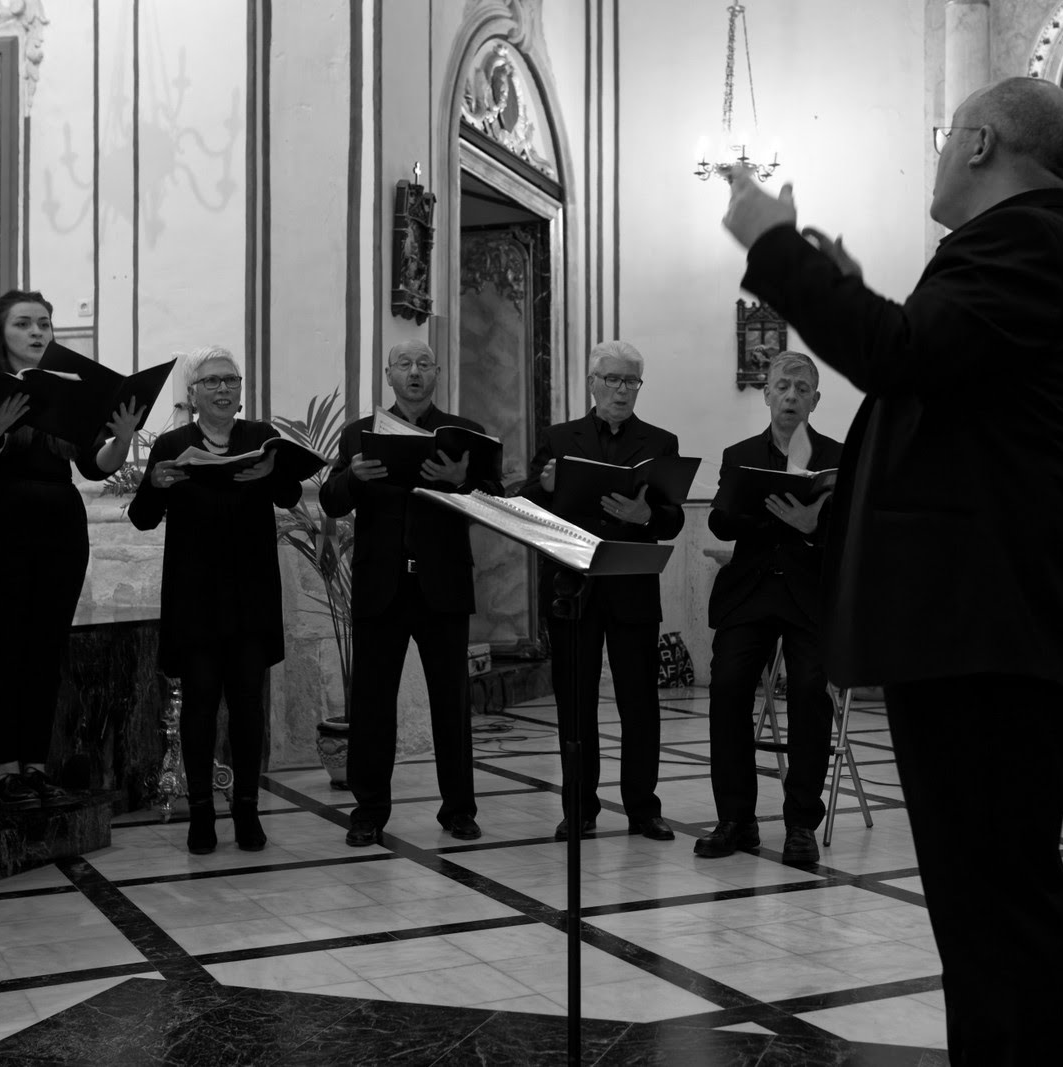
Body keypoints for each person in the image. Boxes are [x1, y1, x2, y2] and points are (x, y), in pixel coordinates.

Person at [722, 76, 1063, 1065]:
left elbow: (899, 354)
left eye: (949, 137)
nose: (941, 154)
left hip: (982, 627)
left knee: (991, 906)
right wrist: (853, 298)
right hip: (979, 623)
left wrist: (771, 244)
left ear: (981, 140)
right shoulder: (1027, 250)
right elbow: (929, 371)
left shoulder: (1030, 239)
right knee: (986, 908)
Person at [0, 291, 141, 808]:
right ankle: (3, 768)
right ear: (1, 334)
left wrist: (121, 437)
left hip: (58, 524)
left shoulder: (69, 393)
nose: (37, 332)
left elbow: (95, 465)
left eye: (44, 324)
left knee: (43, 649)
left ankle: (34, 765)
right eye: (24, 324)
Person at [321, 339, 499, 847]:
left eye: (424, 364)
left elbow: (495, 502)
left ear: (437, 372)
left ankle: (459, 810)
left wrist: (462, 482)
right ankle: (369, 810)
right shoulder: (359, 433)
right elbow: (332, 502)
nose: (415, 372)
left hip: (442, 584)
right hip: (382, 585)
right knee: (373, 701)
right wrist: (353, 477)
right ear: (389, 374)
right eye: (405, 364)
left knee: (452, 701)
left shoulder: (466, 434)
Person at [128, 346, 303, 854]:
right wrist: (157, 483)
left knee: (248, 705)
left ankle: (246, 809)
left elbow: (291, 497)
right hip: (195, 596)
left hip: (251, 594)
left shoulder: (260, 437)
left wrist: (271, 471)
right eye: (211, 382)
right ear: (194, 394)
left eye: (231, 380)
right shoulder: (172, 443)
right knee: (201, 704)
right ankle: (200, 813)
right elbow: (142, 517)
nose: (223, 388)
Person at [522, 340, 684, 842]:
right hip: (573, 585)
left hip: (632, 585)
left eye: (631, 381)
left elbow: (674, 516)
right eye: (612, 379)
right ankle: (579, 807)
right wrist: (544, 488)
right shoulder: (558, 437)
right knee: (575, 701)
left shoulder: (661, 442)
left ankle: (642, 808)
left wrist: (647, 516)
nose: (621, 390)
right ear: (592, 382)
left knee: (640, 701)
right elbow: (527, 505)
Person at [696, 351, 842, 867]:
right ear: (766, 393)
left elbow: (853, 537)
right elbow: (718, 522)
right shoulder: (740, 454)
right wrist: (768, 517)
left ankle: (800, 822)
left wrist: (814, 527)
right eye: (783, 387)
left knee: (808, 690)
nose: (791, 397)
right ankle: (737, 819)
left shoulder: (837, 457)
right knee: (729, 686)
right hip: (752, 591)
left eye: (802, 389)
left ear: (815, 400)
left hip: (809, 595)